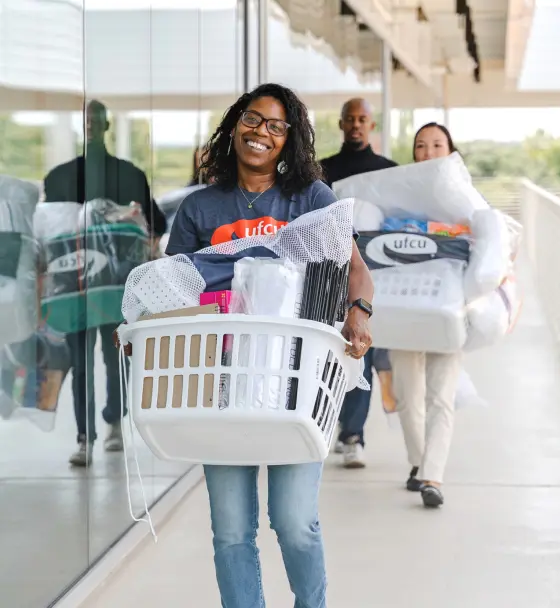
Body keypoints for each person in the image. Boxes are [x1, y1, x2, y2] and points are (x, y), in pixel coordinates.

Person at [163, 83, 373, 608]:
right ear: (235, 124)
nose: (261, 133)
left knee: (295, 521)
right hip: (221, 385)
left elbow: (356, 272)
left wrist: (358, 315)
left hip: (296, 386)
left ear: (290, 139)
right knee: (232, 532)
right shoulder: (198, 208)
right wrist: (148, 334)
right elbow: (171, 290)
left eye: (276, 126)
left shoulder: (310, 199)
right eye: (253, 120)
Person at [44, 100, 166, 467]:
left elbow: (153, 226)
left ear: (106, 125)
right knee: (81, 364)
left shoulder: (130, 175)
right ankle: (85, 436)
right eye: (87, 120)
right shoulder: (59, 177)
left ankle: (114, 420)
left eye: (97, 120)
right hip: (74, 286)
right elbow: (50, 231)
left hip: (115, 286)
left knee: (116, 357)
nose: (92, 126)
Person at [320, 97, 396, 468]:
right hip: (325, 273)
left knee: (359, 348)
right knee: (324, 353)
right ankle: (324, 424)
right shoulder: (322, 171)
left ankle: (353, 435)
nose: (355, 125)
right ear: (340, 124)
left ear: (372, 125)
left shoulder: (389, 173)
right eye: (349, 119)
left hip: (370, 277)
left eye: (362, 119)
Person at [390, 121, 460, 508]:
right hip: (407, 304)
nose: (429, 151)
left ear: (450, 151)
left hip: (447, 306)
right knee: (406, 395)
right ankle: (419, 463)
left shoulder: (463, 197)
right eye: (421, 145)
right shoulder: (400, 195)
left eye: (437, 144)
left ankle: (433, 475)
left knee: (441, 396)